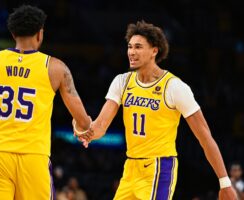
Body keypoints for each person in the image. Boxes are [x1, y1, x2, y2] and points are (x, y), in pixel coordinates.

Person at [75, 20, 237, 199]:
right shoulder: (122, 82)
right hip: (130, 168)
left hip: (159, 168)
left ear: (154, 51)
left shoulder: (174, 87)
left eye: (138, 47)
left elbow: (205, 137)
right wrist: (87, 132)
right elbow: (101, 126)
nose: (131, 52)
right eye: (130, 47)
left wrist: (225, 183)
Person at [0, 5, 91, 200]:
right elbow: (83, 122)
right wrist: (80, 127)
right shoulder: (56, 68)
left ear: (12, 33)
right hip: (34, 158)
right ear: (40, 34)